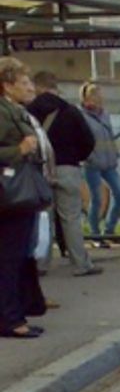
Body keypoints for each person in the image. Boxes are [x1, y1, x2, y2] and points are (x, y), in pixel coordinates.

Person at [27, 71, 101, 278]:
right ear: (55, 87)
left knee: (44, 217)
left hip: (40, 170)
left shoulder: (28, 111)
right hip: (68, 167)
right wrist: (75, 157)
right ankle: (81, 263)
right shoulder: (70, 111)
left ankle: (41, 264)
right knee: (71, 218)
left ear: (37, 87)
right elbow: (88, 140)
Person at [0, 58, 50, 338]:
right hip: (9, 195)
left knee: (18, 255)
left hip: (19, 194)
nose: (29, 87)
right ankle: (10, 319)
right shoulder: (3, 111)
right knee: (9, 256)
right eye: (23, 82)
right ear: (7, 85)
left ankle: (17, 311)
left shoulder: (15, 110)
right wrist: (19, 149)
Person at [79, 81, 120, 247]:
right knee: (97, 199)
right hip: (92, 163)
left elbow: (110, 134)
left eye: (98, 97)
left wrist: (115, 152)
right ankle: (95, 233)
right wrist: (87, 156)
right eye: (92, 97)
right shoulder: (82, 116)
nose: (96, 101)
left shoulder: (104, 114)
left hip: (109, 160)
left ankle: (110, 229)